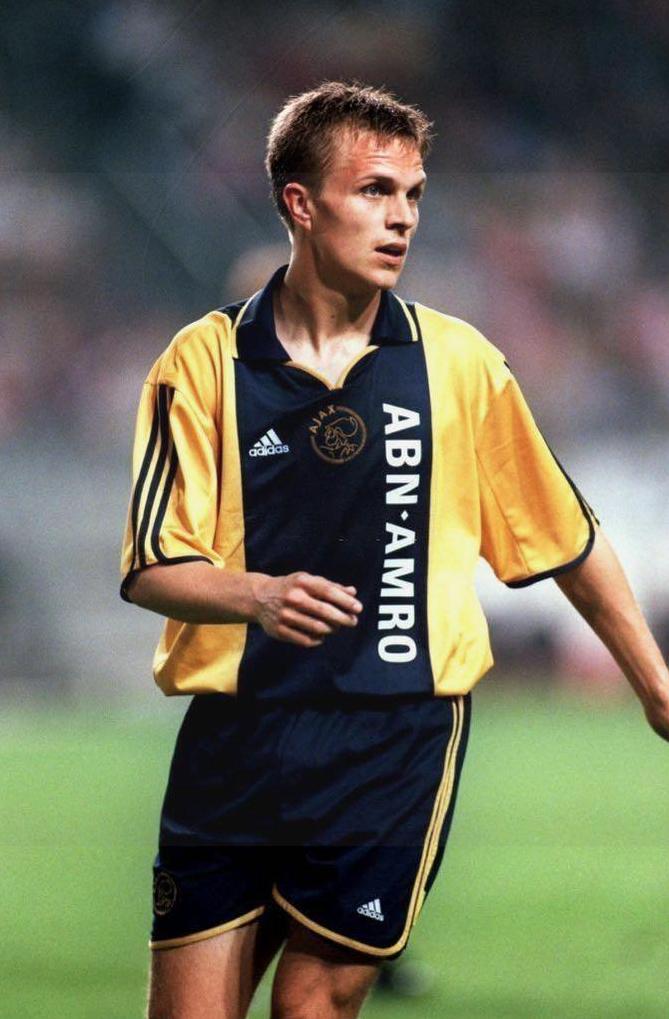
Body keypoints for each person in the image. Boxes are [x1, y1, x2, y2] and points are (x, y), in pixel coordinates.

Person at [120, 81, 669, 1019]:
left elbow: (568, 538)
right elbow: (149, 567)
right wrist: (254, 595)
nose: (402, 217)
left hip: (393, 733)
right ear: (301, 203)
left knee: (311, 1005)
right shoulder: (201, 362)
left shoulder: (458, 364)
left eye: (413, 194)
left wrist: (654, 682)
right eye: (375, 190)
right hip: (237, 740)